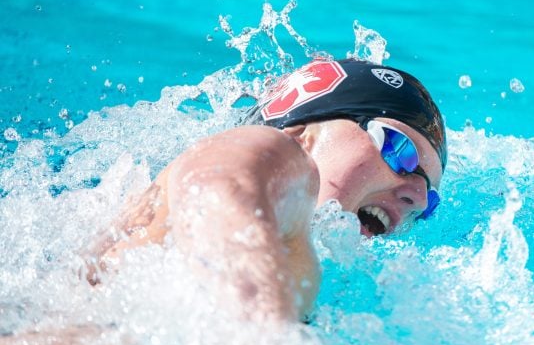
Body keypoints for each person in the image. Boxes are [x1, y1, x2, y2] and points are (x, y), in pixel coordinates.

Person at [85, 57, 447, 324]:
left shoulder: (305, 262)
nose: (416, 195)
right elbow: (216, 190)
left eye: (428, 201)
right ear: (302, 134)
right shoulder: (272, 149)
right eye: (400, 150)